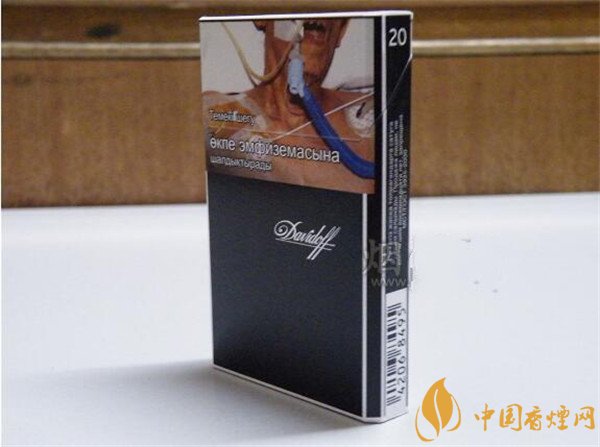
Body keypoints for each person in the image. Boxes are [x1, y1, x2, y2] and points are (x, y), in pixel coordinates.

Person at [203, 18, 374, 193]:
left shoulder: (375, 114)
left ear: (341, 29)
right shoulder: (215, 116)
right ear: (261, 16)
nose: (316, 7)